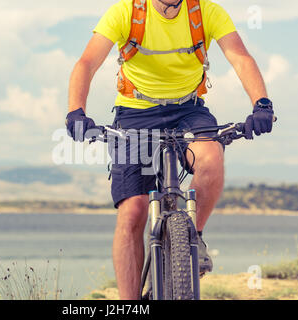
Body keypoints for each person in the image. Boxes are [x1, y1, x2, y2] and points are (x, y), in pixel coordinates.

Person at [66, 0, 275, 300]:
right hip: (136, 112)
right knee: (133, 209)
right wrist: (76, 111)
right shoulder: (127, 11)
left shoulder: (205, 12)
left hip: (188, 110)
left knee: (212, 158)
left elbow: (240, 58)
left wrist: (262, 104)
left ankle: (195, 237)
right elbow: (86, 62)